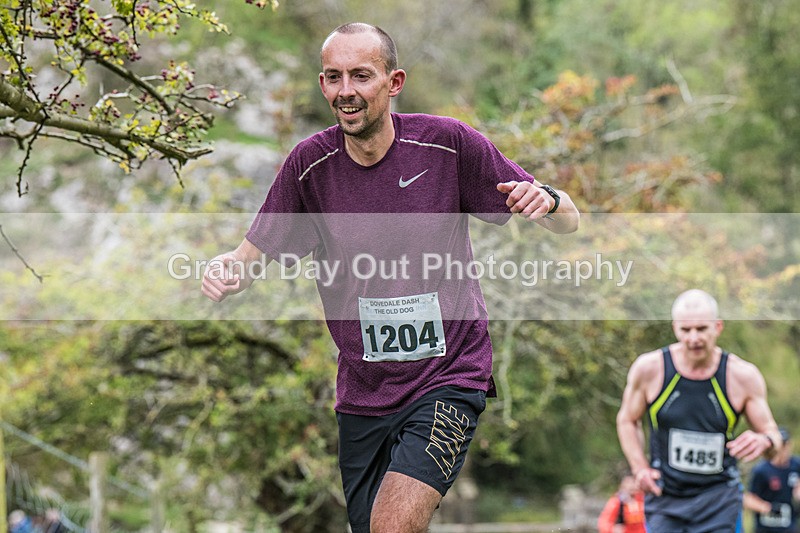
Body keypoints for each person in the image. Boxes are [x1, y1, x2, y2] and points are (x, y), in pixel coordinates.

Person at [202, 22, 579, 533]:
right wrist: (224, 270)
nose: (346, 91)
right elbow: (248, 257)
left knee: (393, 528)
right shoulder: (309, 166)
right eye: (334, 78)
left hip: (448, 376)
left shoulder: (448, 145)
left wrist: (551, 200)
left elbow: (568, 219)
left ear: (394, 81)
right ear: (322, 85)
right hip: (363, 392)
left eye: (361, 75)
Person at [616, 289, 783, 532]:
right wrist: (639, 467)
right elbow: (627, 420)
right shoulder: (650, 369)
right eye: (686, 330)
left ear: (718, 327)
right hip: (665, 496)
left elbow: (774, 436)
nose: (694, 338)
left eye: (702, 329)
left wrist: (765, 440)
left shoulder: (742, 376)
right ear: (675, 328)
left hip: (719, 499)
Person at [744, 427, 800, 533]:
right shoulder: (761, 470)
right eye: (781, 445)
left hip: (790, 527)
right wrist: (768, 508)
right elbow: (748, 499)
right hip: (766, 528)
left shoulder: (796, 465)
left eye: (786, 445)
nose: (784, 449)